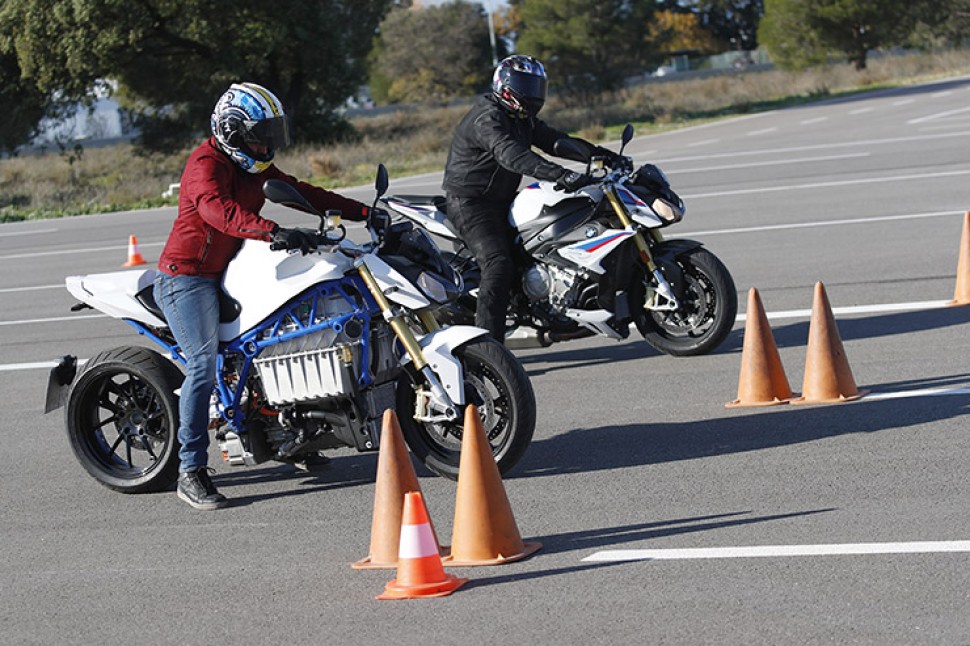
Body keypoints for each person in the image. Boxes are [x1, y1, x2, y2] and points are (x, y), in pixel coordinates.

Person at [154, 82, 371, 510]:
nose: (268, 143)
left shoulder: (254, 167)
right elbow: (219, 211)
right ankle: (190, 470)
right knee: (202, 362)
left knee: (288, 332)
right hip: (188, 278)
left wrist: (364, 211)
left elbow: (301, 192)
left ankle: (293, 437)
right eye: (260, 134)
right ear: (232, 132)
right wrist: (274, 232)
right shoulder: (205, 165)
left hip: (231, 269)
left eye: (272, 133)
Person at [441, 55, 620, 342]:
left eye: (537, 86)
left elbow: (555, 140)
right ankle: (490, 352)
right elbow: (511, 155)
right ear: (506, 87)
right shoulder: (487, 118)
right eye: (526, 85)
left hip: (503, 199)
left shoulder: (522, 119)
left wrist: (600, 154)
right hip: (471, 203)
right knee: (498, 266)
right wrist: (562, 175)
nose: (533, 93)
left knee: (539, 246)